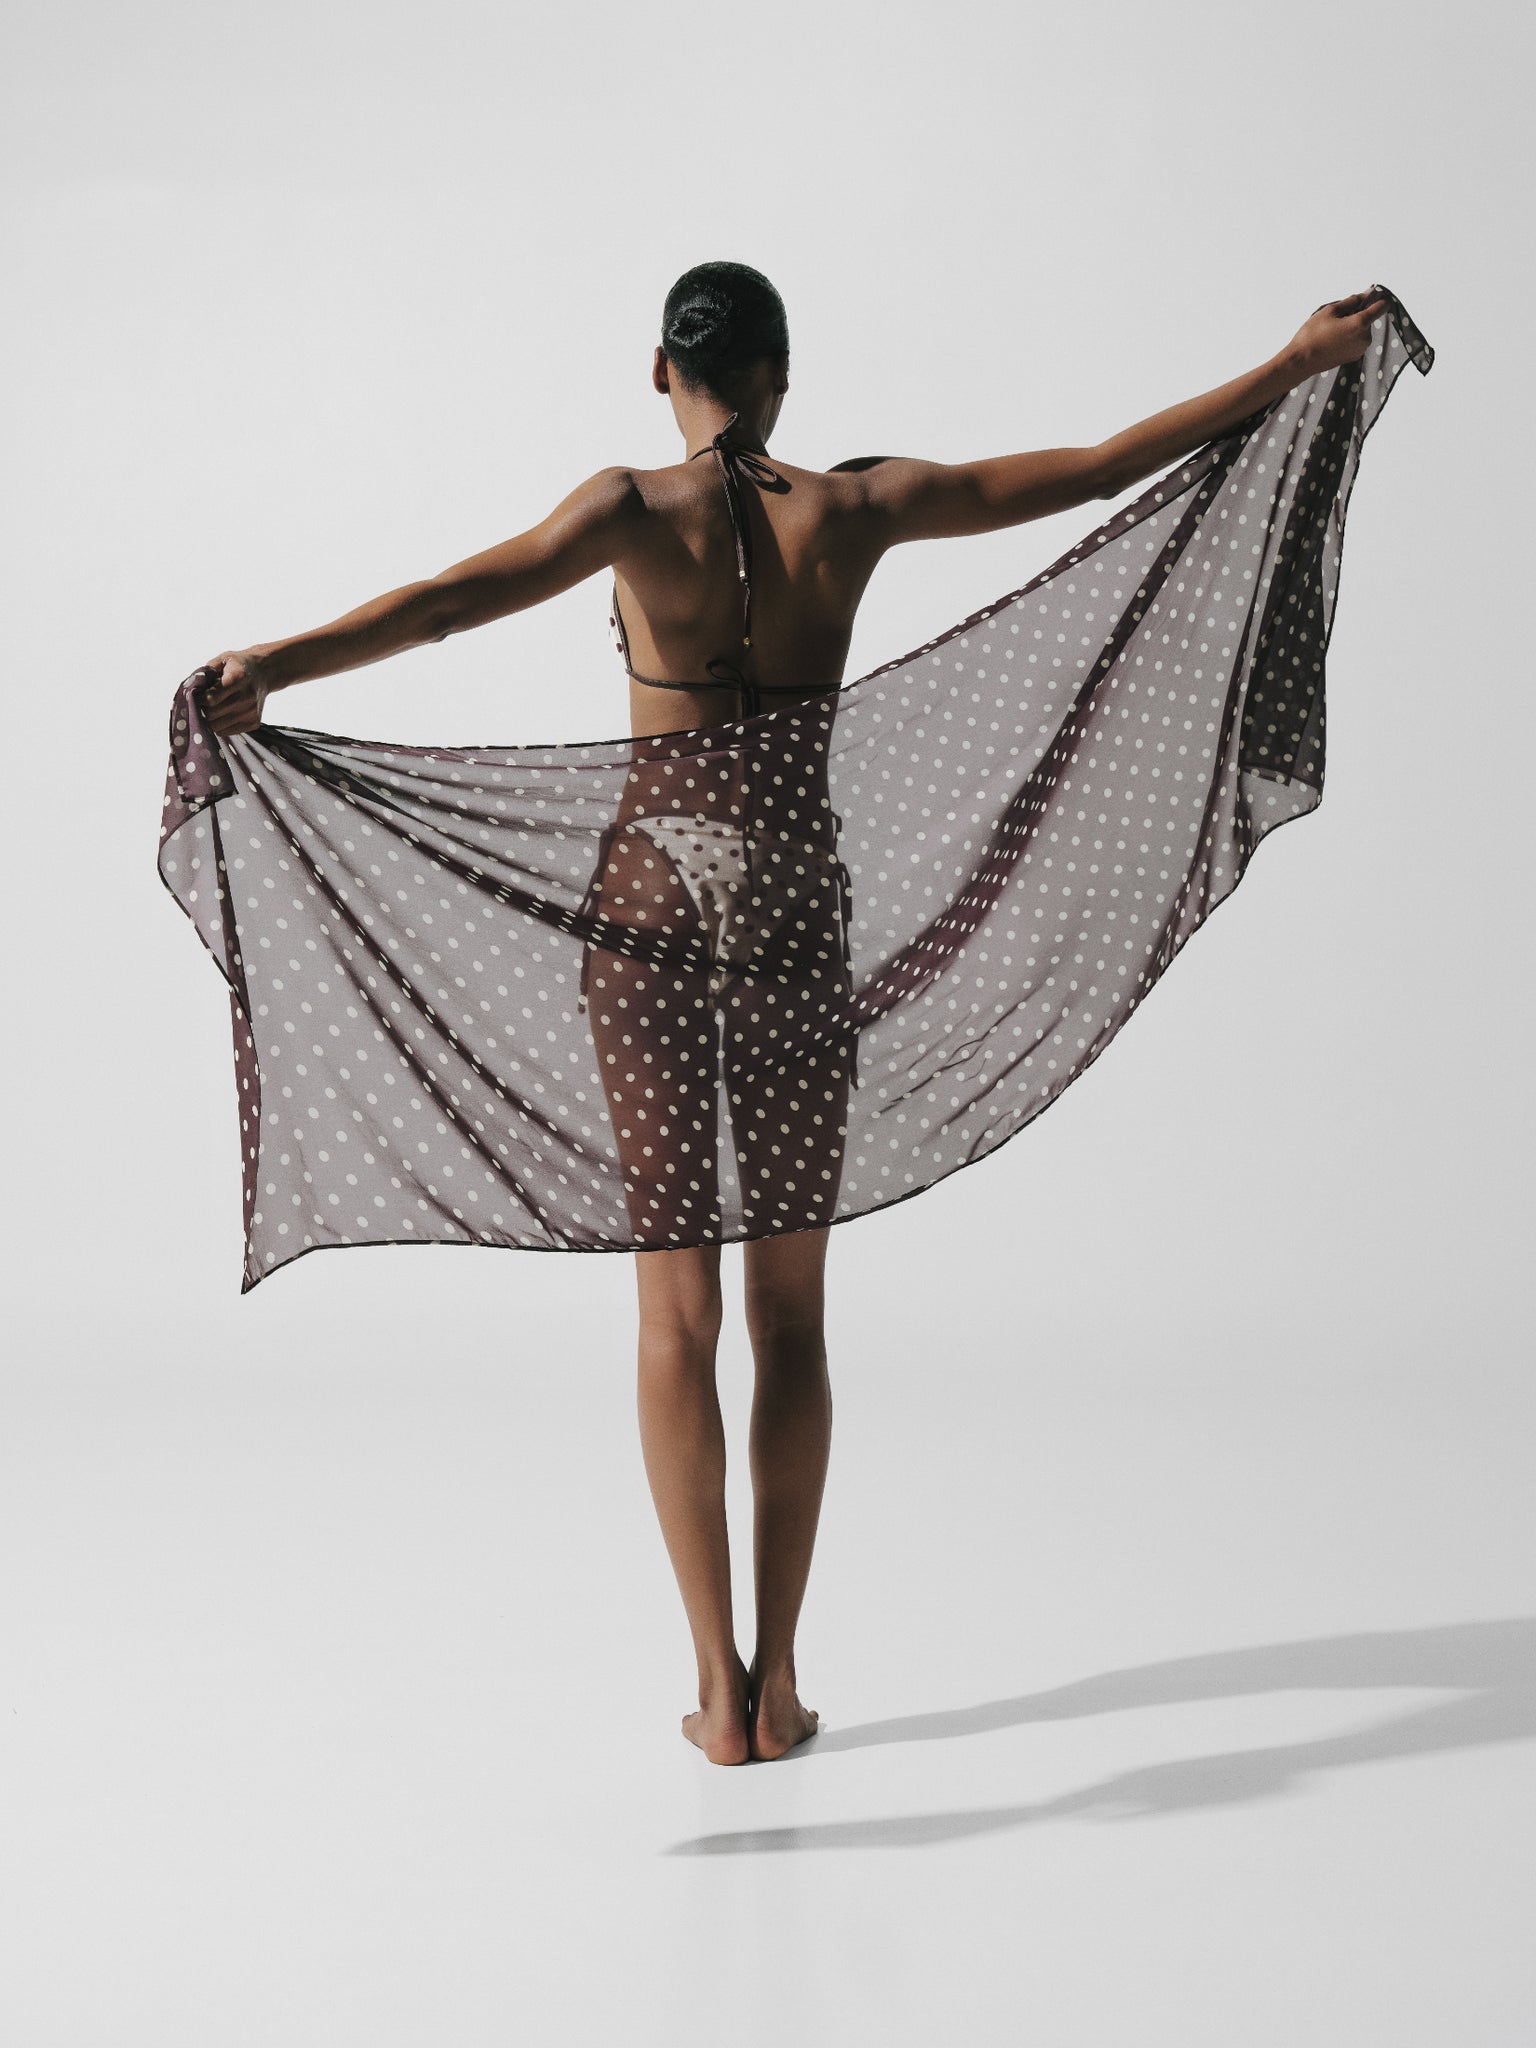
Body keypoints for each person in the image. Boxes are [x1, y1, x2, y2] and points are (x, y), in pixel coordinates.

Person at [199, 262, 1391, 1765]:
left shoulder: (629, 510)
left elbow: (447, 607)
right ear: (781, 375)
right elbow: (1096, 470)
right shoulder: (855, 510)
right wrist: (1289, 363)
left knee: (674, 1315)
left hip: (647, 911)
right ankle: (781, 1685)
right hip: (786, 920)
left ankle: (717, 1690)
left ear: (663, 371)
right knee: (791, 1316)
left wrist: (275, 666)